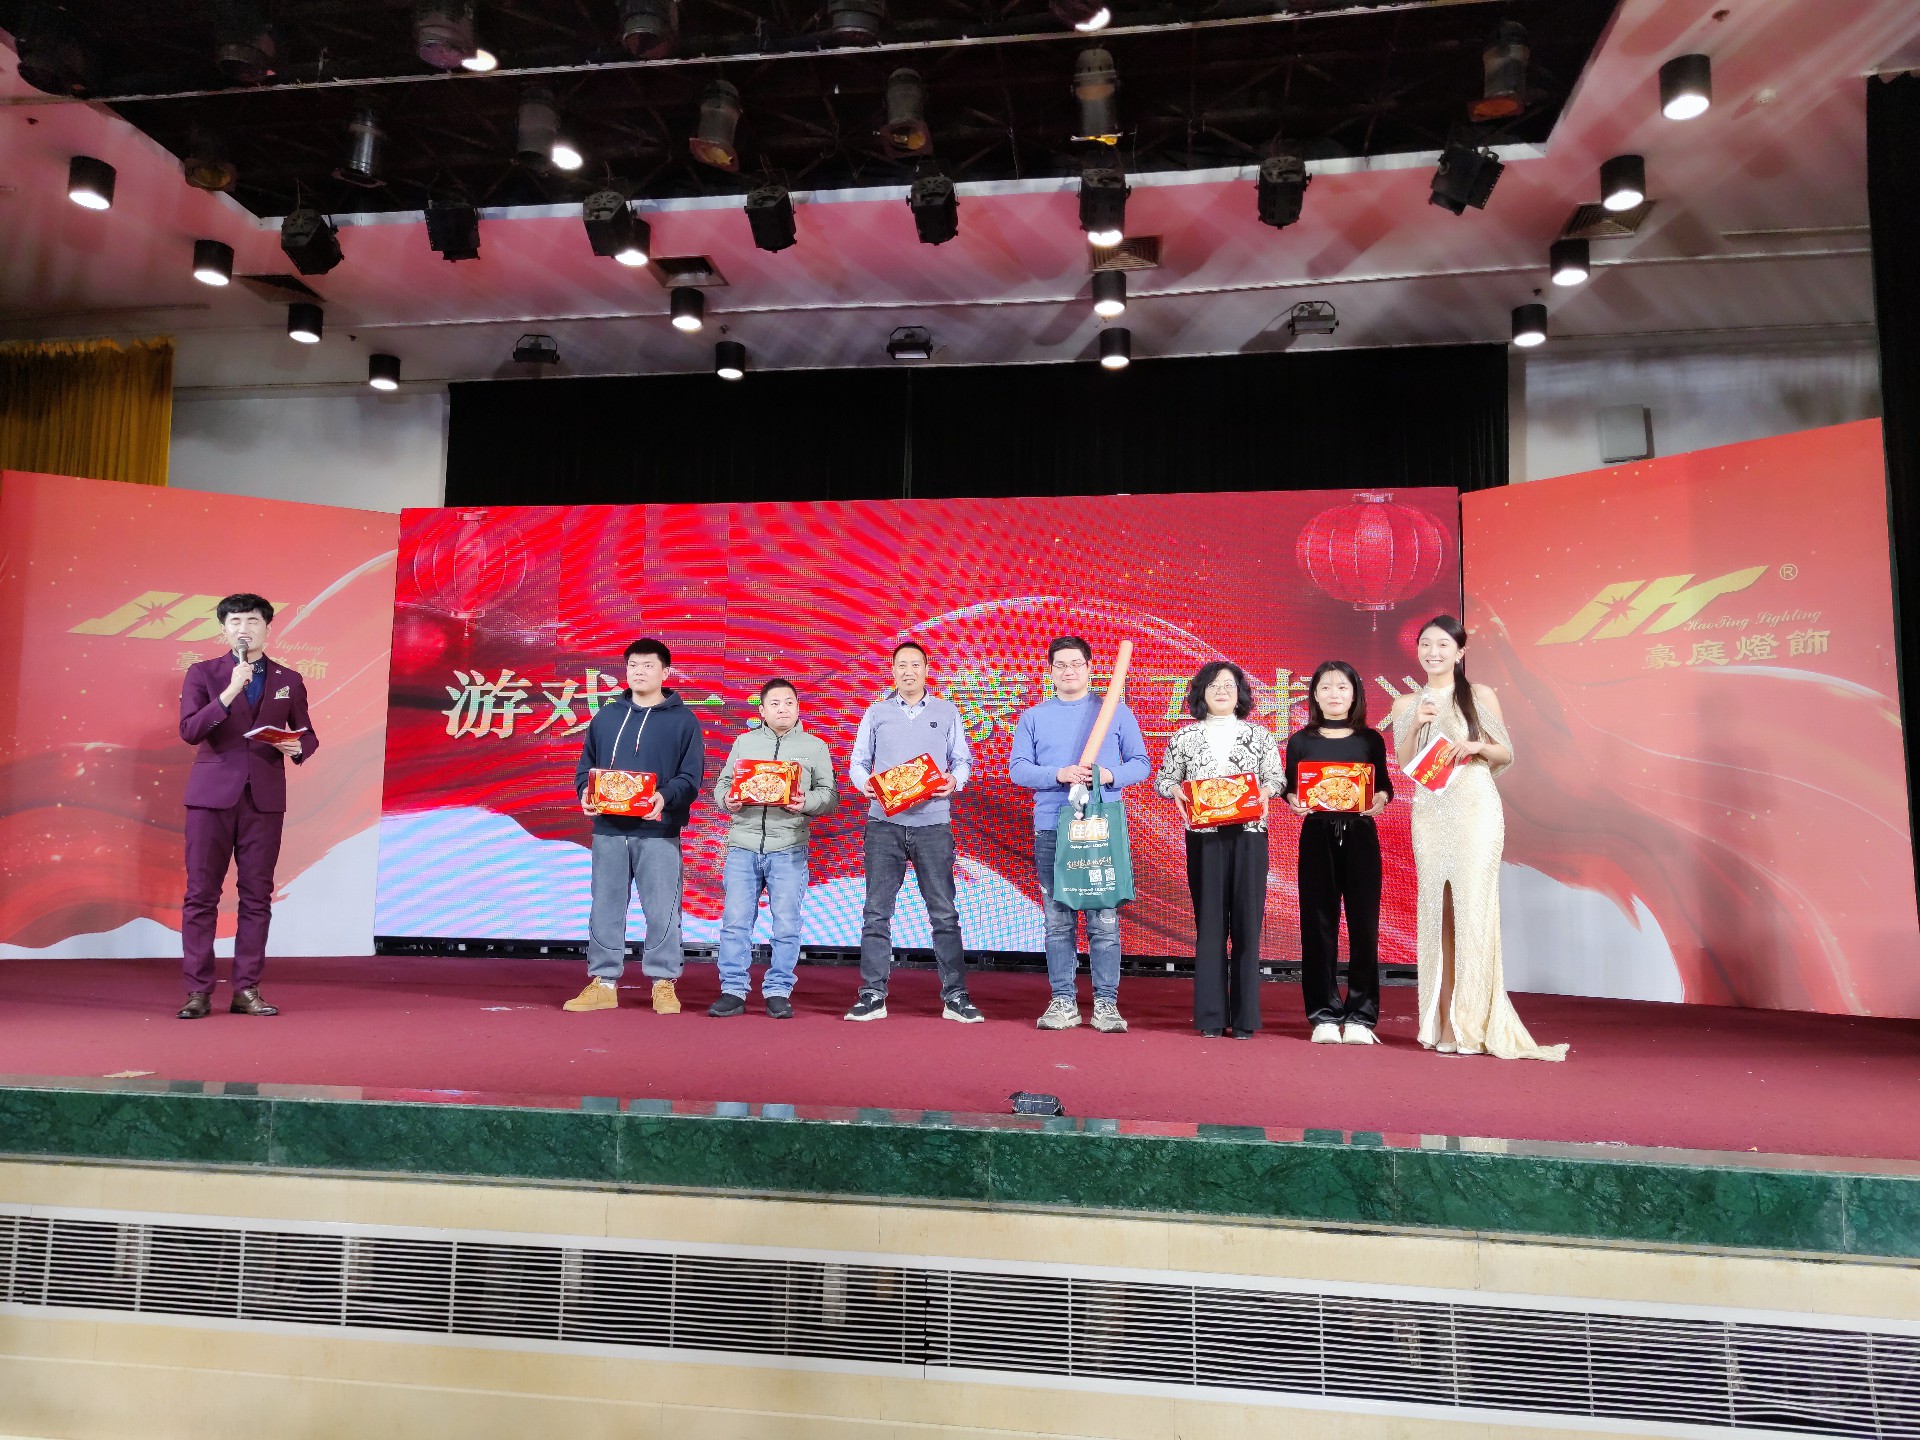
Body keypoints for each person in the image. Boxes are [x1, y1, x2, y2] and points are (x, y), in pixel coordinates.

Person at [1389, 615, 1567, 1061]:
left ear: (1460, 652)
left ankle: (1471, 1025)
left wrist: (1476, 747)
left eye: (1442, 644)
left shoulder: (1480, 695)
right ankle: (1443, 1024)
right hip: (1430, 811)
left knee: (1472, 910)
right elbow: (1405, 763)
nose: (1433, 652)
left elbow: (1505, 752)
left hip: (1475, 808)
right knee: (1437, 912)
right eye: (1425, 644)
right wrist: (1416, 724)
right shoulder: (1405, 702)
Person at [175, 593, 318, 1019]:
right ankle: (198, 991)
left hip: (264, 800)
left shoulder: (289, 678)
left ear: (267, 628)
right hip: (211, 799)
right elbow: (190, 730)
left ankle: (247, 989)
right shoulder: (203, 673)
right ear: (223, 629)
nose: (244, 629)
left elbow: (307, 733)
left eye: (253, 621)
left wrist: (297, 747)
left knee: (257, 896)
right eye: (235, 621)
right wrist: (229, 692)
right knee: (201, 895)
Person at [1008, 636, 1151, 1032]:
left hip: (1100, 828)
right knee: (1058, 921)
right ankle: (1062, 1002)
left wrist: (1107, 775)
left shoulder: (1115, 711)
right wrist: (1060, 774)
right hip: (1052, 827)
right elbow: (1018, 769)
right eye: (1060, 665)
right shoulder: (1033, 717)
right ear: (1050, 671)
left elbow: (1141, 763)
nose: (1068, 671)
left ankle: (1106, 1004)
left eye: (1076, 663)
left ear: (1090, 667)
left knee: (1104, 920)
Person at [566, 638, 707, 1016]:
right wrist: (585, 792)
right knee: (605, 908)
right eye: (632, 665)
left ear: (665, 672)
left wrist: (664, 797)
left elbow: (691, 778)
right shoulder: (606, 716)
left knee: (663, 910)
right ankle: (603, 982)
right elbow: (585, 768)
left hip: (658, 831)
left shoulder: (683, 721)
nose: (638, 672)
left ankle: (663, 983)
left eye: (647, 665)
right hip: (608, 831)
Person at [844, 640, 980, 1023]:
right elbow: (858, 761)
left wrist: (954, 781)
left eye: (915, 665)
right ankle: (872, 995)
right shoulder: (876, 712)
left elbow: (962, 760)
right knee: (876, 913)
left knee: (944, 913)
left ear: (926, 670)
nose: (908, 671)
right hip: (883, 825)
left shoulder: (946, 711)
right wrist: (865, 784)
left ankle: (956, 997)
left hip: (933, 825)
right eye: (901, 665)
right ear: (892, 671)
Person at [1154, 662, 1284, 1038]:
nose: (1222, 691)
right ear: (1201, 693)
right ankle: (1211, 1016)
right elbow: (1164, 779)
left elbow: (1277, 778)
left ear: (1240, 692)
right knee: (1209, 924)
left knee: (1247, 924)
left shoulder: (1260, 735)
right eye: (1213, 686)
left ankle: (1245, 1019)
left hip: (1249, 835)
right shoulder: (1184, 737)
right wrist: (1174, 790)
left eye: (1229, 685)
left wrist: (1266, 791)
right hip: (1204, 836)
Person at [708, 677, 838, 1018]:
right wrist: (728, 800)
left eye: (789, 703)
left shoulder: (815, 746)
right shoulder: (744, 742)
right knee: (735, 923)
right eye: (775, 704)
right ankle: (733, 990)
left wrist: (806, 801)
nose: (783, 709)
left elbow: (829, 795)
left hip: (789, 847)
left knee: (786, 925)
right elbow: (722, 785)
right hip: (743, 846)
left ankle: (779, 990)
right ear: (762, 710)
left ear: (798, 708)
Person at [1284, 661, 1393, 1045]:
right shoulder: (1301, 740)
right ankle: (1324, 1015)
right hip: (1317, 836)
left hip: (1361, 835)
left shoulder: (1370, 739)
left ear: (1354, 694)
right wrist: (1292, 800)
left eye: (1342, 687)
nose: (1334, 694)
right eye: (1326, 687)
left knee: (1364, 927)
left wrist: (1380, 798)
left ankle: (1361, 1016)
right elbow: (1290, 788)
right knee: (1318, 927)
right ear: (1314, 694)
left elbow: (1384, 785)